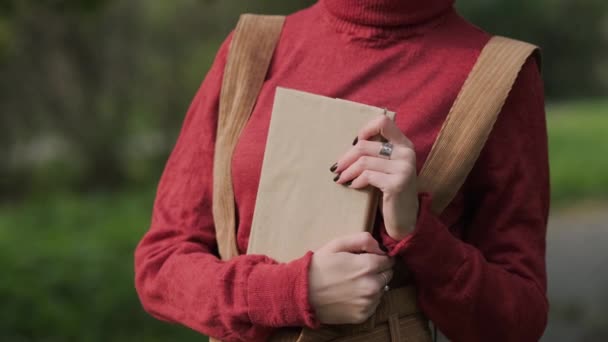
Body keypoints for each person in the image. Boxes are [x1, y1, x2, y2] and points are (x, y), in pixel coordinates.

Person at [133, 0, 550, 341]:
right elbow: (160, 266)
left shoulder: (500, 75)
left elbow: (518, 321)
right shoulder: (251, 49)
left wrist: (414, 233)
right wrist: (290, 292)